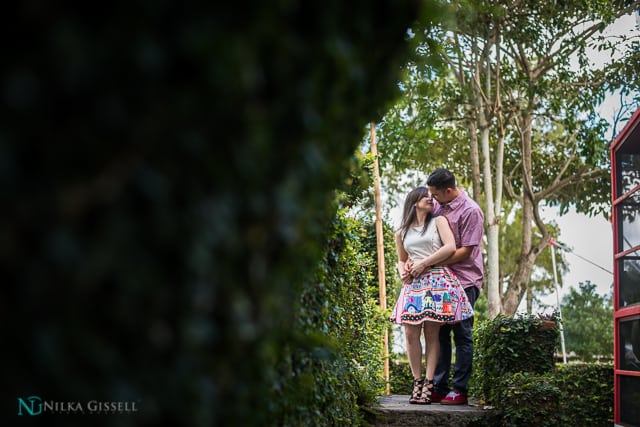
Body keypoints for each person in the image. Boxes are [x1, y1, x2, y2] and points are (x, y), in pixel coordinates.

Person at [390, 186, 474, 405]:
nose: (430, 198)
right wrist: (402, 271)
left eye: (431, 195)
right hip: (413, 284)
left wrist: (424, 264)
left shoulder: (439, 221)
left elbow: (450, 247)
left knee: (432, 333)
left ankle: (429, 384)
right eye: (425, 196)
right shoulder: (401, 231)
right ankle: (416, 381)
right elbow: (401, 258)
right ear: (414, 201)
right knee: (410, 333)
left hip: (436, 280)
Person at [426, 168, 484, 406]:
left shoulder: (471, 211)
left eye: (436, 194)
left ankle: (459, 390)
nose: (433, 199)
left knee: (461, 334)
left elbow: (465, 252)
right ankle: (439, 386)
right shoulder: (439, 206)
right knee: (439, 334)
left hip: (465, 281)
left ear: (448, 190)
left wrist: (431, 262)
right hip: (440, 280)